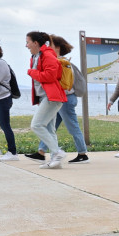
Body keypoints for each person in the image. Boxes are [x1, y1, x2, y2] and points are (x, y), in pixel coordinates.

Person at [35, 34, 90, 164]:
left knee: (72, 126)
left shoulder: (62, 62)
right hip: (61, 99)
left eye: (51, 45)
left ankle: (82, 154)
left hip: (66, 98)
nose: (47, 47)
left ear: (57, 48)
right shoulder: (60, 61)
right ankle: (41, 151)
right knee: (50, 125)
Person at [25, 31, 68, 169]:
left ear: (36, 43)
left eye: (28, 42)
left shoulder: (47, 54)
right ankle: (55, 162)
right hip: (46, 97)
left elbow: (50, 75)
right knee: (50, 129)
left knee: (36, 125)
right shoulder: (36, 56)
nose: (26, 45)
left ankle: (57, 152)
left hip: (52, 97)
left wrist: (31, 72)